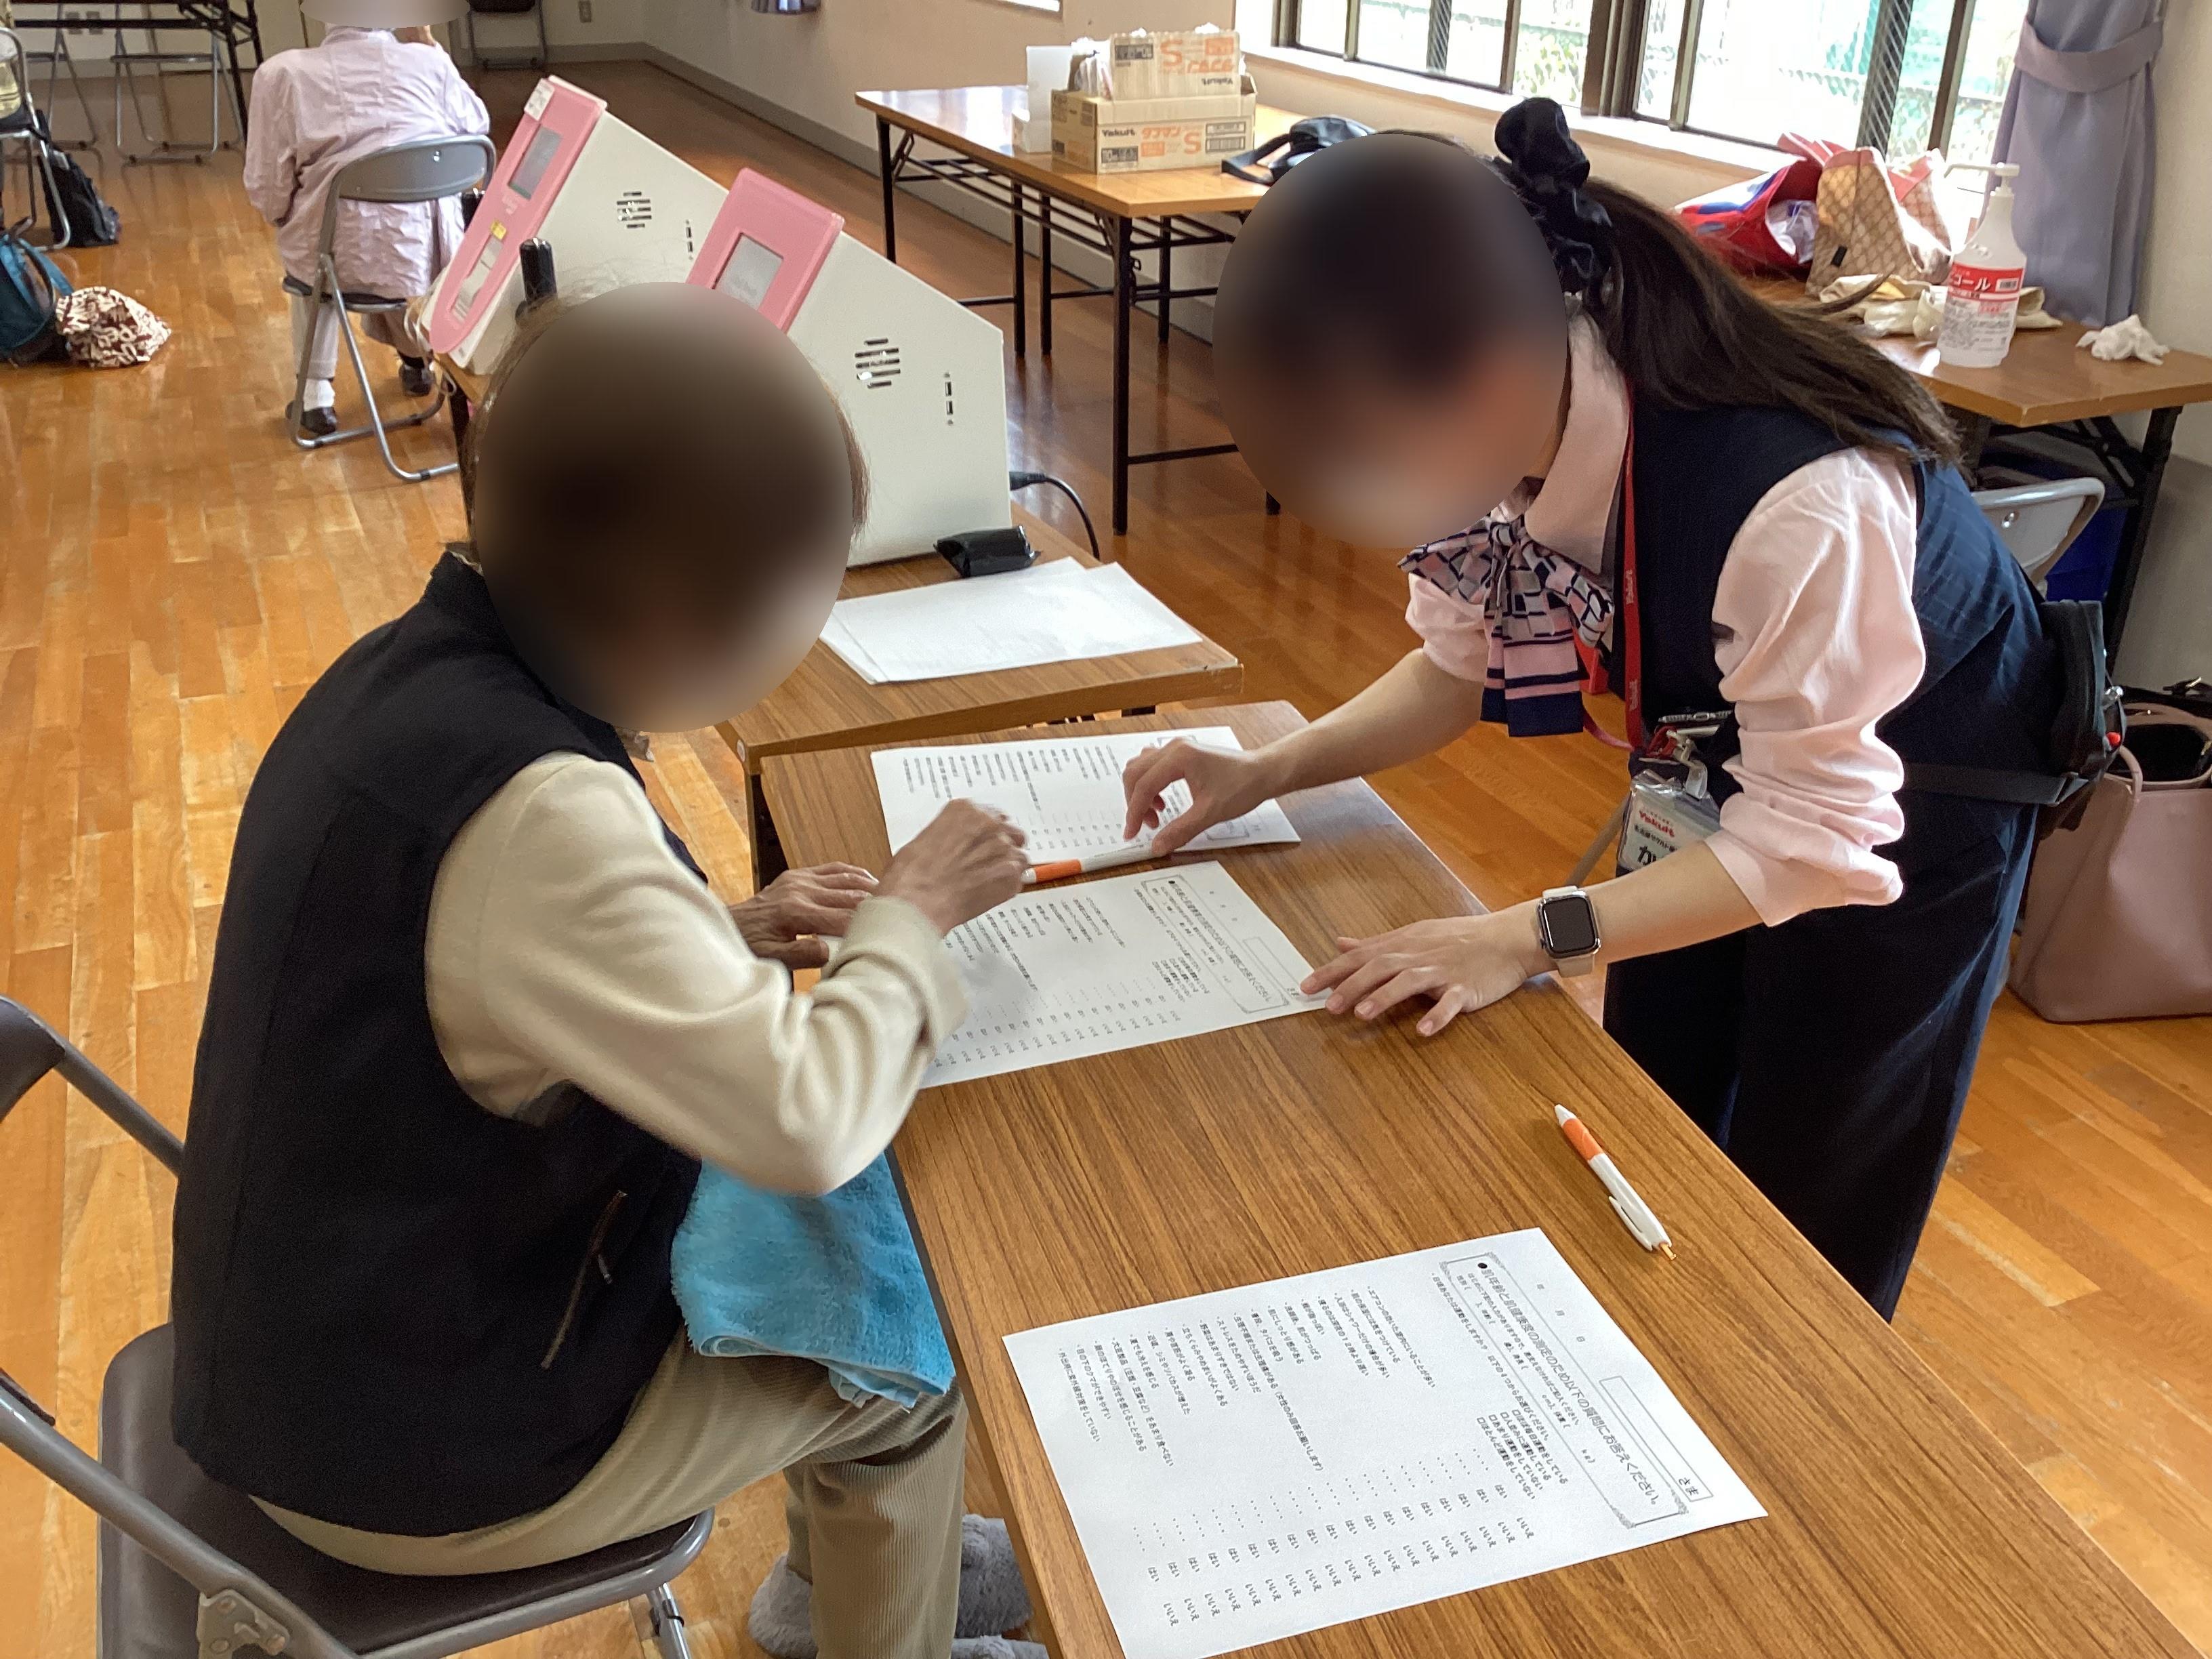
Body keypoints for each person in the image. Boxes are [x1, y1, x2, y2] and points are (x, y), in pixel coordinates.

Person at [170, 285, 1042, 1659]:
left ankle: (850, 1585)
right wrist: (912, 915)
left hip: (310, 1343)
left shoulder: (407, 676)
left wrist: (717, 934)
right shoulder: (543, 814)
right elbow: (806, 1122)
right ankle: (854, 1620)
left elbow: (473, 970)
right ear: (679, 618)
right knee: (905, 1373)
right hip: (411, 1448)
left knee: (839, 1263)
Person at [1125, 102, 2062, 1320]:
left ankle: (1777, 1390)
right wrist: (1267, 768)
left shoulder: (1795, 501)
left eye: (1366, 437)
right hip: (1714, 768)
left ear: (1488, 372)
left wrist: (1515, 937)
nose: (1360, 472)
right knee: (1655, 1093)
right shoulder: (1503, 427)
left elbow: (1810, 842)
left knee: (1811, 1184)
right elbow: (1457, 667)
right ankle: (1656, 1353)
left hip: (1906, 803)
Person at [243, 10, 489, 436]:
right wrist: (427, 43)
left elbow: (268, 190)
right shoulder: (430, 63)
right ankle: (418, 358)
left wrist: (283, 214)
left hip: (338, 263)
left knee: (318, 250)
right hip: (435, 257)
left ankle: (315, 395)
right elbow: (476, 130)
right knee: (394, 249)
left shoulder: (283, 74)